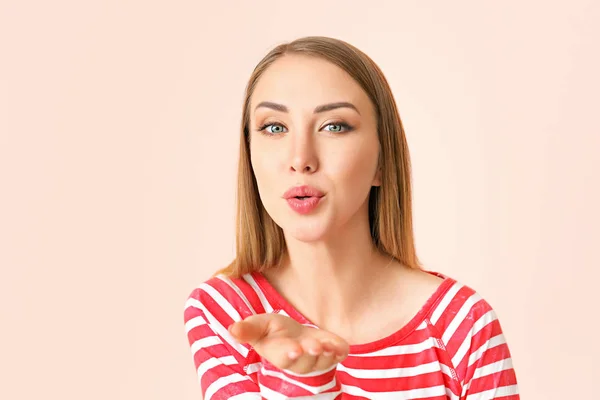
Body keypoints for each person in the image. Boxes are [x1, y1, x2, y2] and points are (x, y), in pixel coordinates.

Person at [183, 36, 519, 399]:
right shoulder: (226, 311)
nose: (301, 158)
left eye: (334, 126)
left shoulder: (464, 325)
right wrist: (305, 380)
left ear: (382, 161)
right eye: (274, 127)